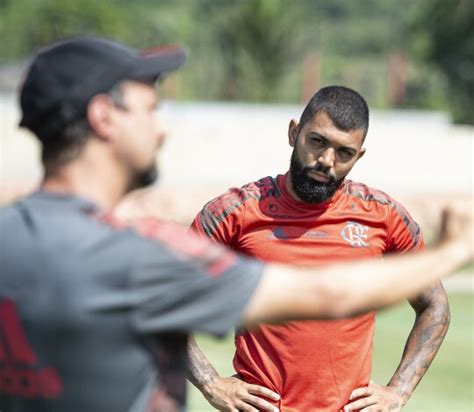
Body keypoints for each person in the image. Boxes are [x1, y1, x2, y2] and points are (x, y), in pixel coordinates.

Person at [0, 37, 471, 412]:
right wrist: (454, 250)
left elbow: (422, 305)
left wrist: (397, 391)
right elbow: (331, 295)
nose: (162, 129)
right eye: (149, 110)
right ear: (103, 118)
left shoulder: (13, 238)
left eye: (344, 152)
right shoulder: (144, 252)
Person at [187, 86, 453, 412]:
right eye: (317, 141)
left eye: (344, 153)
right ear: (293, 133)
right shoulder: (234, 212)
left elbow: (435, 307)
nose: (326, 161)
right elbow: (161, 298)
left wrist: (398, 390)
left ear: (359, 156)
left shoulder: (384, 216)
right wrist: (211, 383)